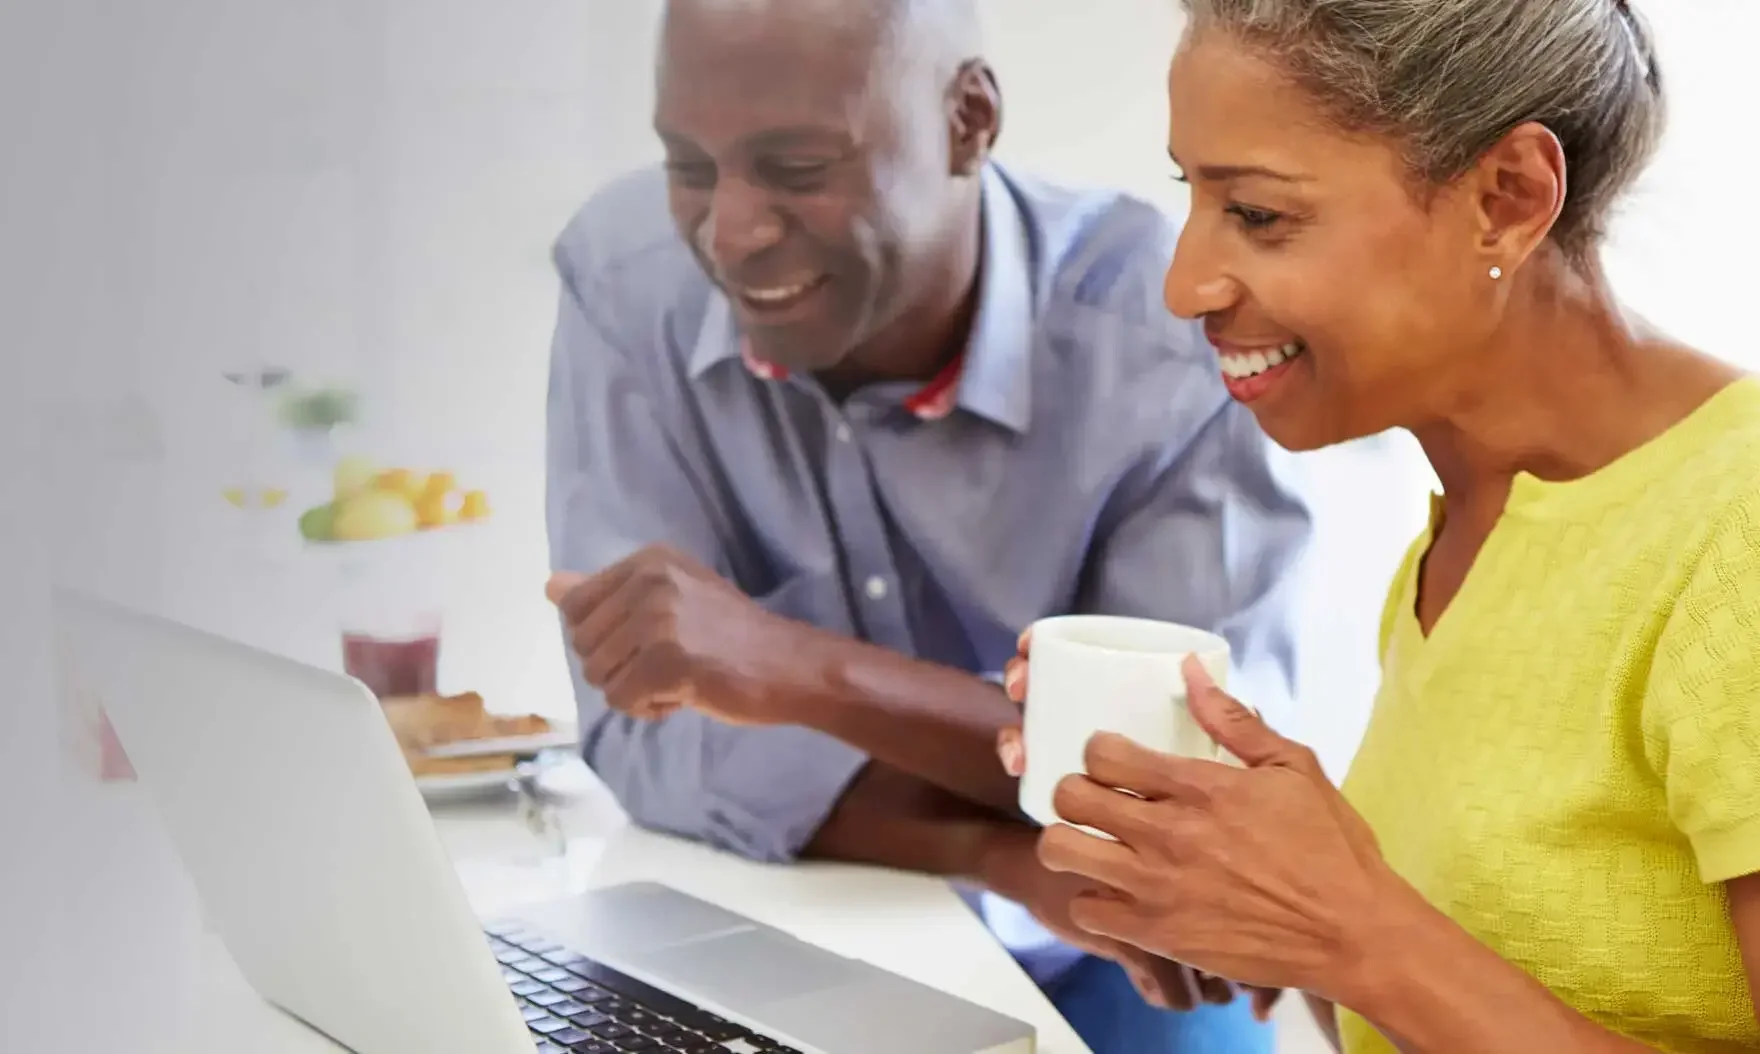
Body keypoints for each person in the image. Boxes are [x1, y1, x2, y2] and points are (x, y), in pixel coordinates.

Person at [542, 0, 1317, 1050]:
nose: (728, 232)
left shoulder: (1162, 328)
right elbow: (649, 737)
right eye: (689, 163)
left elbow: (1181, 799)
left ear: (968, 120)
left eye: (797, 166)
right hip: (791, 927)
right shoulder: (626, 277)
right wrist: (1002, 852)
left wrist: (792, 672)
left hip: (1111, 946)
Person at [996, 1, 1760, 1051]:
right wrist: (1252, 902)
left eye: (1258, 215)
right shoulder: (1460, 540)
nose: (1183, 286)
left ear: (1505, 199)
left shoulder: (1735, 533)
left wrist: (1352, 929)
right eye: (1194, 196)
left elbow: (1387, 953)